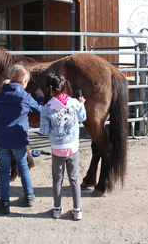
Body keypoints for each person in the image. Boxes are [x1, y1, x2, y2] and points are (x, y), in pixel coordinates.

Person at [0, 64, 44, 215]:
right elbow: (39, 111)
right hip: (19, 140)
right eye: (26, 81)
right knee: (23, 167)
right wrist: (40, 98)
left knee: (4, 171)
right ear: (24, 82)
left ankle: (4, 203)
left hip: (1, 140)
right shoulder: (26, 97)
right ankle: (29, 197)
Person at [39, 72, 87, 220]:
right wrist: (81, 104)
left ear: (50, 90)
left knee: (57, 179)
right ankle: (77, 210)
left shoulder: (47, 107)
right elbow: (83, 117)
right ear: (64, 86)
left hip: (57, 149)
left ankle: (57, 209)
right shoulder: (74, 103)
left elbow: (44, 130)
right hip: (72, 147)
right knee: (74, 178)